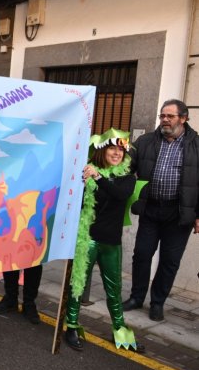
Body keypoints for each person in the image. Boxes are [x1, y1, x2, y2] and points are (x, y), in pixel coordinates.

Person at [64, 129, 143, 352]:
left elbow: (119, 195)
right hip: (87, 239)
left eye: (121, 150)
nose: (117, 153)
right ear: (102, 151)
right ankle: (70, 326)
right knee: (78, 284)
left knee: (114, 288)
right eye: (112, 148)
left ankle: (119, 328)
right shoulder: (86, 173)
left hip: (111, 242)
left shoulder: (127, 178)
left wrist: (98, 178)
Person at [122, 99, 199, 322]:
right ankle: (136, 297)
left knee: (169, 260)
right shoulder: (145, 141)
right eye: (162, 116)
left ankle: (157, 303)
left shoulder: (196, 145)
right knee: (142, 255)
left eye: (170, 116)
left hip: (179, 213)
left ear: (183, 118)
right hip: (150, 209)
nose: (164, 120)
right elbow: (126, 167)